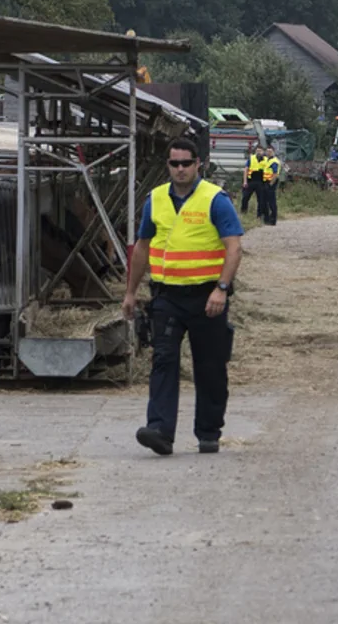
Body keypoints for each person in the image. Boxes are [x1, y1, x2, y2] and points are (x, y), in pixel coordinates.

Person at [122, 138, 244, 456]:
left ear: (198, 164)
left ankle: (208, 432)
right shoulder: (155, 199)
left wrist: (222, 288)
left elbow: (234, 247)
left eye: (186, 163)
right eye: (174, 164)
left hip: (207, 298)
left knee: (210, 366)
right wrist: (130, 292)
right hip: (166, 297)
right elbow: (143, 248)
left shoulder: (215, 199)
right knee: (163, 360)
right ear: (168, 165)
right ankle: (160, 430)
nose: (180, 169)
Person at [257, 145, 280, 226]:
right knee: (264, 201)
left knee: (271, 202)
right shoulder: (268, 160)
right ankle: (266, 219)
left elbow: (275, 174)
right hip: (265, 182)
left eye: (270, 151)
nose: (268, 153)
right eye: (267, 151)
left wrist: (270, 184)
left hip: (270, 183)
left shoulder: (274, 161)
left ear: (273, 152)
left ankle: (273, 219)